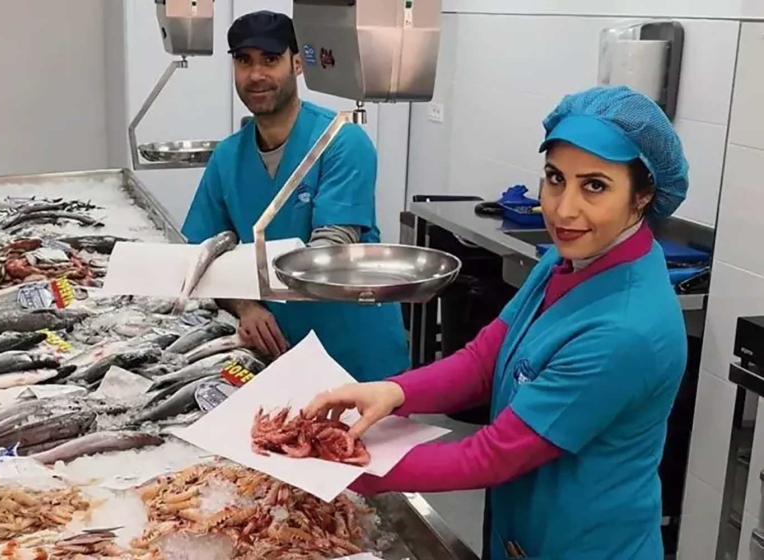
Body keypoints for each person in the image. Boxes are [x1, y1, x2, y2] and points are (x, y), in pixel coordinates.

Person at [305, 86, 690, 559]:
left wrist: (336, 466)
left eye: (595, 185)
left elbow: (493, 454)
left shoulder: (626, 331)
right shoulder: (567, 259)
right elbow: (484, 361)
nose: (564, 209)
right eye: (555, 178)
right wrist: (394, 392)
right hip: (523, 528)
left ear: (643, 195)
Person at [182, 10, 409, 382]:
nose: (256, 75)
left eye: (270, 60)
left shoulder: (342, 141)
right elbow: (201, 253)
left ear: (298, 63)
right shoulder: (228, 157)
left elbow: (331, 249)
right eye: (244, 61)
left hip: (354, 354)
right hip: (278, 354)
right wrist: (245, 306)